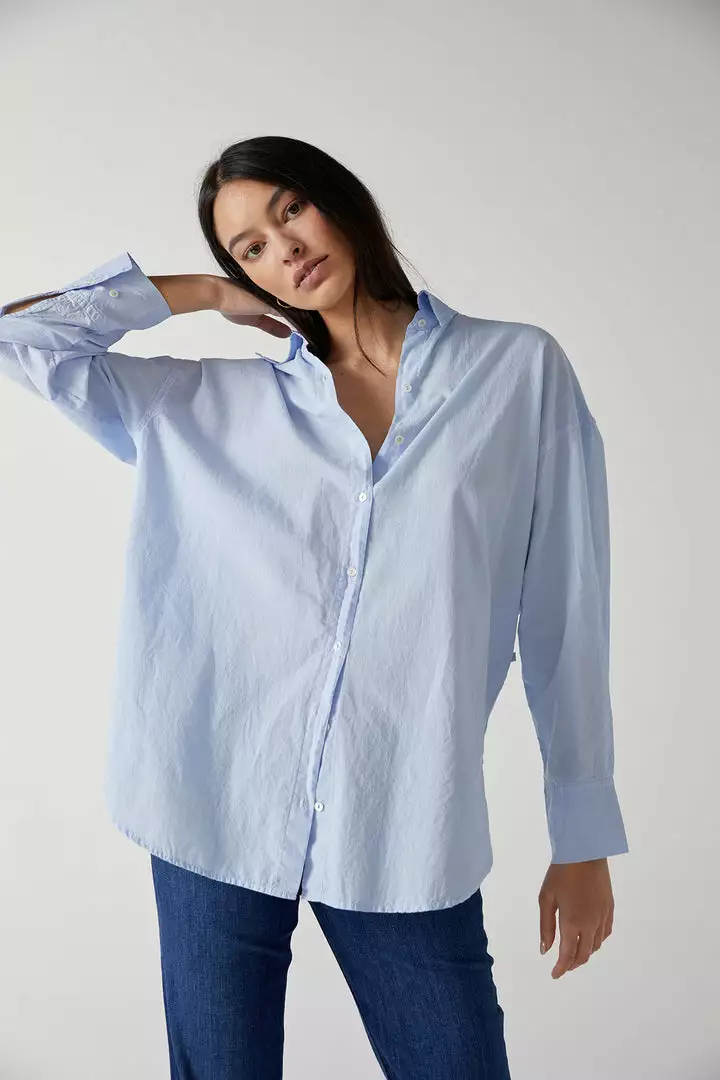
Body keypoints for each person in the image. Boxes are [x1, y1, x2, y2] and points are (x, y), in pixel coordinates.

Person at [0, 135, 629, 1079]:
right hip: (212, 805)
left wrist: (582, 838)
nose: (284, 248)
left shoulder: (516, 372)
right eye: (249, 247)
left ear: (340, 199)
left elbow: (566, 612)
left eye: (290, 208)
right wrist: (203, 294)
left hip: (404, 820)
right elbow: (19, 337)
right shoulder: (205, 404)